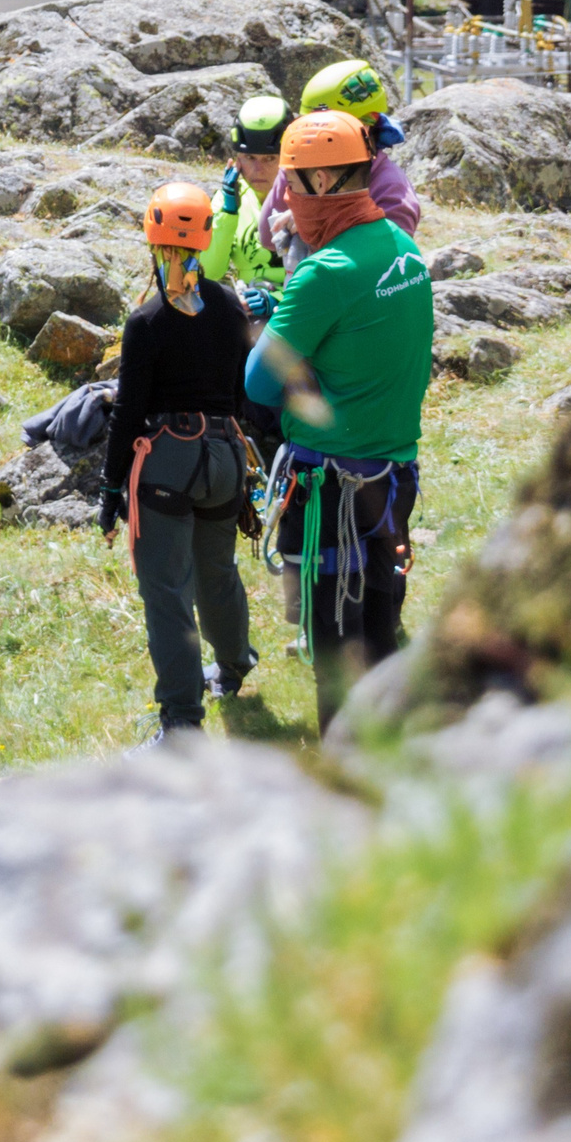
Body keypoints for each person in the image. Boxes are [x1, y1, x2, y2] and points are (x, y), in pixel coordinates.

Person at [246, 111, 434, 734]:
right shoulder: (404, 252)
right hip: (393, 476)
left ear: (323, 180)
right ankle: (390, 759)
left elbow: (258, 382)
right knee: (380, 622)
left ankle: (343, 765)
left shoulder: (324, 273)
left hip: (330, 487)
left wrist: (273, 327)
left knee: (331, 636)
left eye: (293, 185)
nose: (288, 200)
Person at [102, 182, 257, 736]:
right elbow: (243, 391)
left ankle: (182, 721)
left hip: (169, 461)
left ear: (153, 239)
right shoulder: (230, 307)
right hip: (225, 456)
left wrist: (109, 484)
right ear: (207, 236)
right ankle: (235, 665)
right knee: (216, 571)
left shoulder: (147, 321)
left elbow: (128, 411)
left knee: (167, 592)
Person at [263, 59, 421, 271]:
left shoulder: (391, 187)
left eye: (323, 129)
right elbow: (267, 235)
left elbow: (389, 262)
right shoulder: (297, 168)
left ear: (365, 125)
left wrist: (310, 220)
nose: (309, 138)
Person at [199, 96, 294, 294]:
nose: (257, 170)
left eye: (270, 159)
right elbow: (210, 272)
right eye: (250, 158)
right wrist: (228, 213)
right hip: (250, 304)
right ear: (237, 158)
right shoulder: (227, 199)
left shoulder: (310, 194)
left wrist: (276, 299)